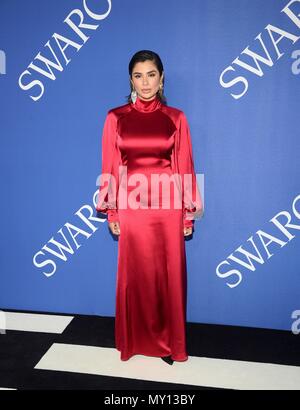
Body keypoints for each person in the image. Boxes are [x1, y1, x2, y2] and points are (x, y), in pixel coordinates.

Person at [96, 50, 203, 365]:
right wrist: (112, 210)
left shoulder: (176, 118)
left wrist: (188, 213)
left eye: (151, 74)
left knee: (169, 276)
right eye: (138, 75)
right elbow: (110, 166)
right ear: (130, 79)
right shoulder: (115, 117)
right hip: (132, 208)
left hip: (168, 209)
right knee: (136, 276)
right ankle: (134, 341)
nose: (145, 82)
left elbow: (184, 167)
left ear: (162, 77)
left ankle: (171, 342)